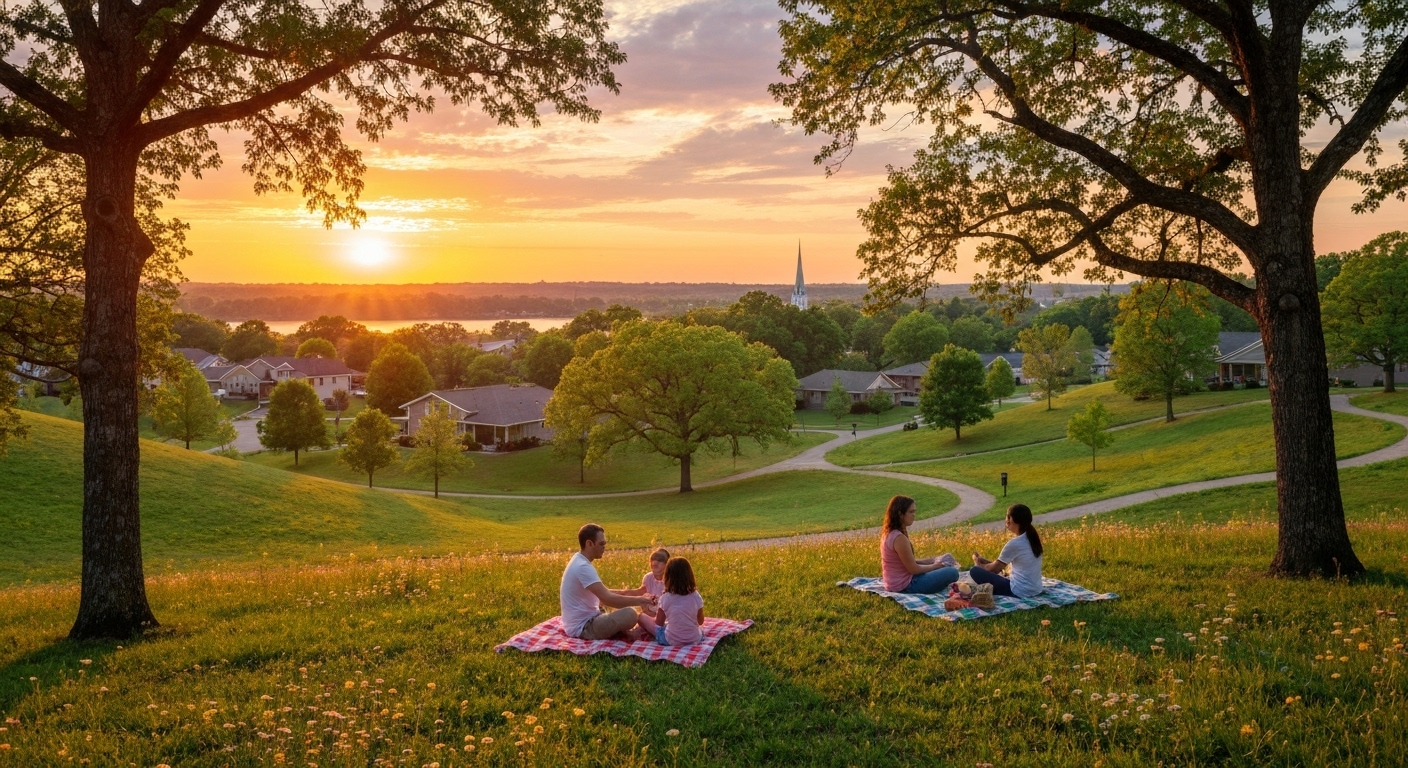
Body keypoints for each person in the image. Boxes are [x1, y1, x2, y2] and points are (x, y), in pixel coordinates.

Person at [559, 523, 656, 640]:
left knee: (620, 612)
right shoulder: (582, 567)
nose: (604, 547)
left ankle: (621, 632)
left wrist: (636, 592)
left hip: (590, 617)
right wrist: (641, 600)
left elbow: (603, 592)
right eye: (601, 544)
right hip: (584, 627)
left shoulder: (579, 560)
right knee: (630, 614)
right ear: (589, 543)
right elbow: (607, 599)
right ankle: (622, 633)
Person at [880, 495, 960, 594]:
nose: (914, 515)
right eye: (911, 512)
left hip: (897, 582)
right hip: (905, 586)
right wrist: (935, 566)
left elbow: (909, 562)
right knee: (952, 572)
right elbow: (914, 569)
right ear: (900, 514)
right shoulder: (899, 538)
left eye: (914, 511)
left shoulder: (890, 533)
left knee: (944, 564)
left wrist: (932, 560)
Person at [968, 503, 1045, 598]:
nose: (1006, 521)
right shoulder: (1032, 538)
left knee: (974, 571)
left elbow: (995, 569)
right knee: (991, 571)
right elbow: (1000, 566)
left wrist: (978, 563)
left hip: (1019, 591)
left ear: (1013, 521)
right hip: (1035, 589)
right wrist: (983, 561)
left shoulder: (1015, 543)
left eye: (1008, 517)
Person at [636, 557, 705, 646]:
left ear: (667, 576)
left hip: (670, 640)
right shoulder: (696, 596)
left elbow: (659, 624)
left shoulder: (666, 598)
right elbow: (700, 622)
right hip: (695, 638)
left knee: (641, 616)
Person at [619, 548, 669, 616]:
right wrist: (606, 594)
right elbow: (637, 592)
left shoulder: (672, 581)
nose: (655, 563)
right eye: (653, 560)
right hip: (650, 617)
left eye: (660, 560)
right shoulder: (648, 578)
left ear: (667, 564)